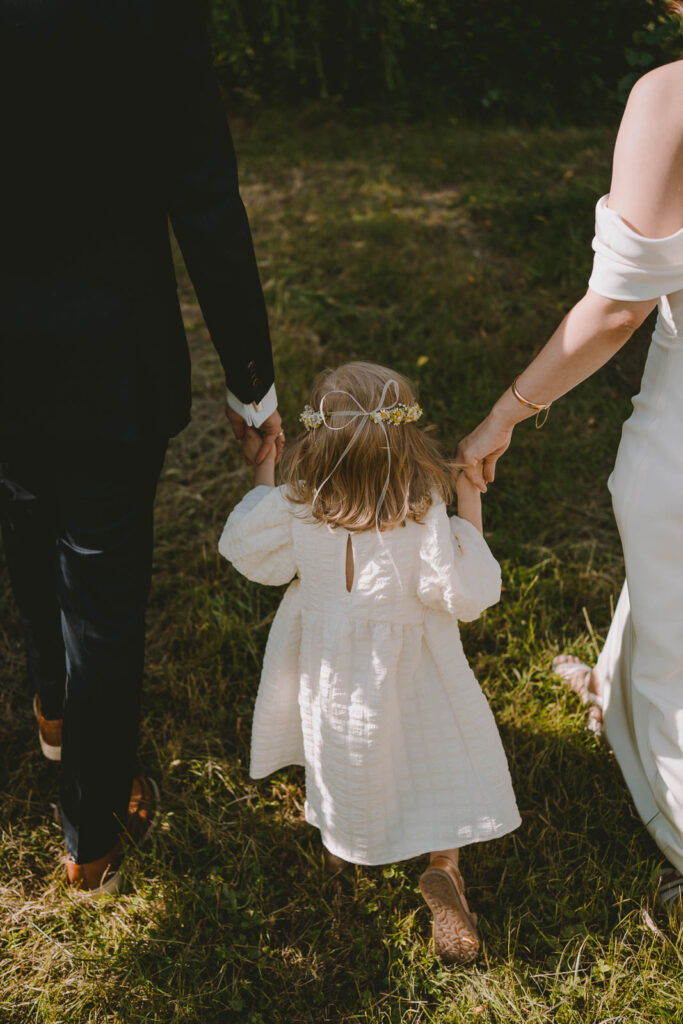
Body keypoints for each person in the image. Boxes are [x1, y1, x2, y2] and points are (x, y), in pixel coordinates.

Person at [0, 0, 283, 894]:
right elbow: (205, 198)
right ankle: (90, 839)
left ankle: (53, 706)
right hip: (110, 359)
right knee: (104, 587)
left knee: (25, 518)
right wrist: (252, 381)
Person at [455, 56, 683, 913]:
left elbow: (617, 308)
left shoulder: (671, 96)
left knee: (676, 665)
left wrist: (506, 414)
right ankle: (612, 703)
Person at [218, 361, 520, 964]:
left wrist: (264, 465)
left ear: (317, 439)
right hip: (415, 673)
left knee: (343, 751)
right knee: (434, 759)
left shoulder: (299, 504)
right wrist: (467, 499)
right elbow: (467, 591)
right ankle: (442, 864)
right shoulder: (425, 507)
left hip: (332, 672)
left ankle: (343, 842)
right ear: (407, 441)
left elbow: (248, 542)